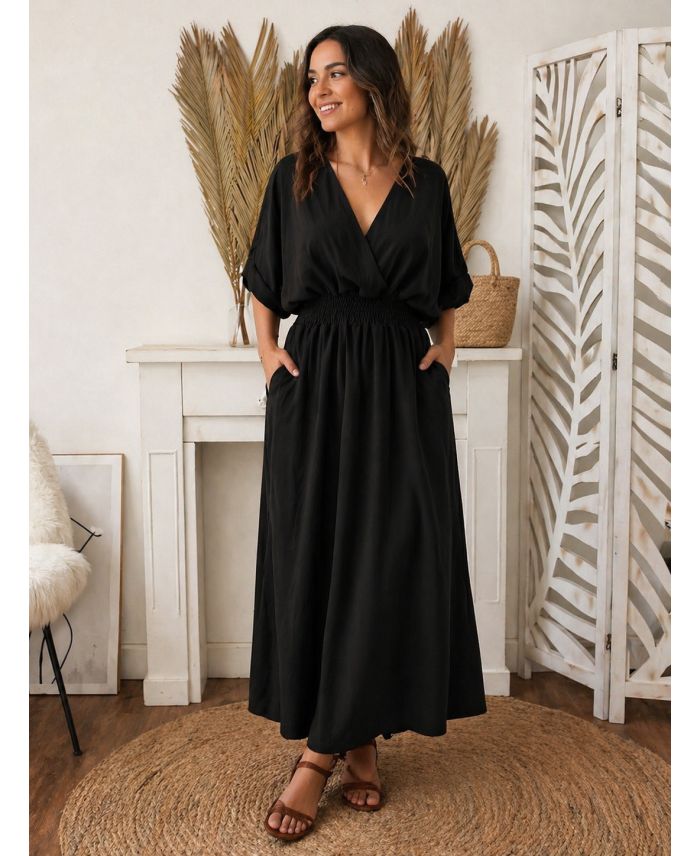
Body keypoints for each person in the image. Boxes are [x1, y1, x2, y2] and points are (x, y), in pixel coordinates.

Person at [242, 24, 488, 843]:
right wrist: (269, 354)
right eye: (311, 76)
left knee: (388, 556)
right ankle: (344, 746)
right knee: (321, 553)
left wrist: (446, 347)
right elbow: (262, 280)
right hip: (315, 384)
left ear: (374, 81)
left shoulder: (428, 182)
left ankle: (332, 747)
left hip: (399, 385)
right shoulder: (293, 180)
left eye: (337, 72)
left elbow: (447, 283)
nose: (319, 88)